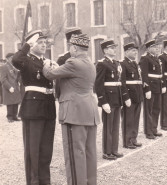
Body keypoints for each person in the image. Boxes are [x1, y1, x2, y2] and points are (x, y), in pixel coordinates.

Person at [43, 34, 100, 185]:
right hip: (90, 112)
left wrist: (46, 64)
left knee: (75, 154)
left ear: (74, 48)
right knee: (89, 152)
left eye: (70, 47)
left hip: (74, 113)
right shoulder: (89, 63)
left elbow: (49, 74)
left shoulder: (73, 62)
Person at [12, 30, 56, 185]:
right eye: (40, 42)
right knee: (33, 150)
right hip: (33, 107)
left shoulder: (47, 62)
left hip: (48, 106)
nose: (44, 45)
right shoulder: (26, 60)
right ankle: (33, 181)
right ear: (32, 44)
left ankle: (45, 180)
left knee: (46, 149)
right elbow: (16, 60)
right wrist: (27, 44)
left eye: (45, 43)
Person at [95, 39, 126, 160]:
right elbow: (98, 84)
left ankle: (114, 149)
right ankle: (107, 151)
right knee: (108, 126)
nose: (114, 50)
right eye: (112, 48)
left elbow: (120, 82)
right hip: (108, 99)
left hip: (117, 98)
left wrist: (123, 98)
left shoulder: (117, 63)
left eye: (114, 47)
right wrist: (103, 102)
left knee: (115, 125)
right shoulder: (102, 64)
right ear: (106, 50)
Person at [139, 39, 164, 139]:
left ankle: (154, 129)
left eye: (156, 47)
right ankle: (148, 131)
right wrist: (147, 88)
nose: (156, 48)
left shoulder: (156, 58)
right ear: (149, 48)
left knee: (156, 108)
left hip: (157, 86)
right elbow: (144, 74)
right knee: (148, 110)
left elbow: (158, 74)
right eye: (154, 47)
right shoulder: (145, 58)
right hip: (150, 86)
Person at [121, 42, 143, 149]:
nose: (135, 52)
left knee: (136, 119)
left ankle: (134, 138)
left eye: (136, 51)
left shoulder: (135, 64)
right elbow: (122, 82)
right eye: (133, 51)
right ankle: (127, 140)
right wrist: (125, 96)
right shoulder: (123, 64)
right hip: (129, 95)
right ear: (126, 52)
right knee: (128, 119)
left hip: (137, 95)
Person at [55, 27, 82, 99]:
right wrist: (60, 97)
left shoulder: (84, 57)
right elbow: (59, 82)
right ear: (68, 42)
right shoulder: (63, 59)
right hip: (69, 97)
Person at [0, 53, 22, 122]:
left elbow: (17, 76)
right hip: (9, 87)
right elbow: (3, 79)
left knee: (15, 102)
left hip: (15, 86)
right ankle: (9, 117)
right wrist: (9, 87)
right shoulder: (4, 67)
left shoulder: (13, 66)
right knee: (10, 103)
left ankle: (14, 116)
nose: (13, 59)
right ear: (8, 58)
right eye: (12, 57)